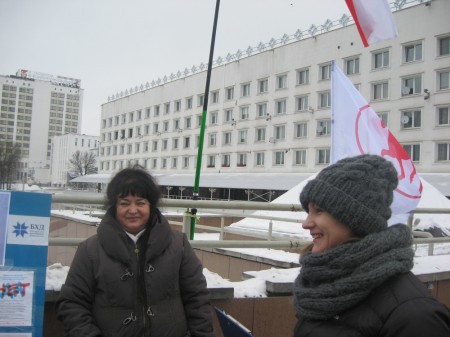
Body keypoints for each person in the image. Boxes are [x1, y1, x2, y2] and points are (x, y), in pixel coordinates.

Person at [293, 154, 450, 337]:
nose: (306, 223)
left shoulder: (414, 316)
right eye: (308, 211)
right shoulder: (320, 285)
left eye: (318, 211)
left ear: (354, 218)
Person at [56, 165, 214, 337]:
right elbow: (72, 303)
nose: (133, 210)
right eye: (124, 203)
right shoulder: (90, 250)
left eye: (140, 203)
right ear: (114, 207)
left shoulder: (179, 245)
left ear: (151, 206)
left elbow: (197, 298)